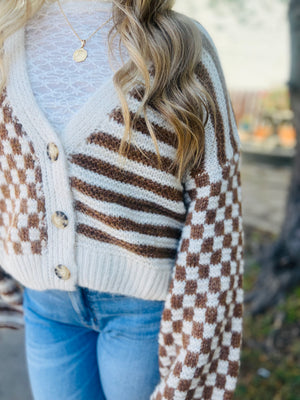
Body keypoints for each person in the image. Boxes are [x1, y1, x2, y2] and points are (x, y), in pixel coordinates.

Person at [0, 0, 244, 399]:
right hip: (46, 308)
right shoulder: (7, 36)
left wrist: (198, 346)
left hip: (145, 313)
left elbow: (216, 203)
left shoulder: (181, 46)